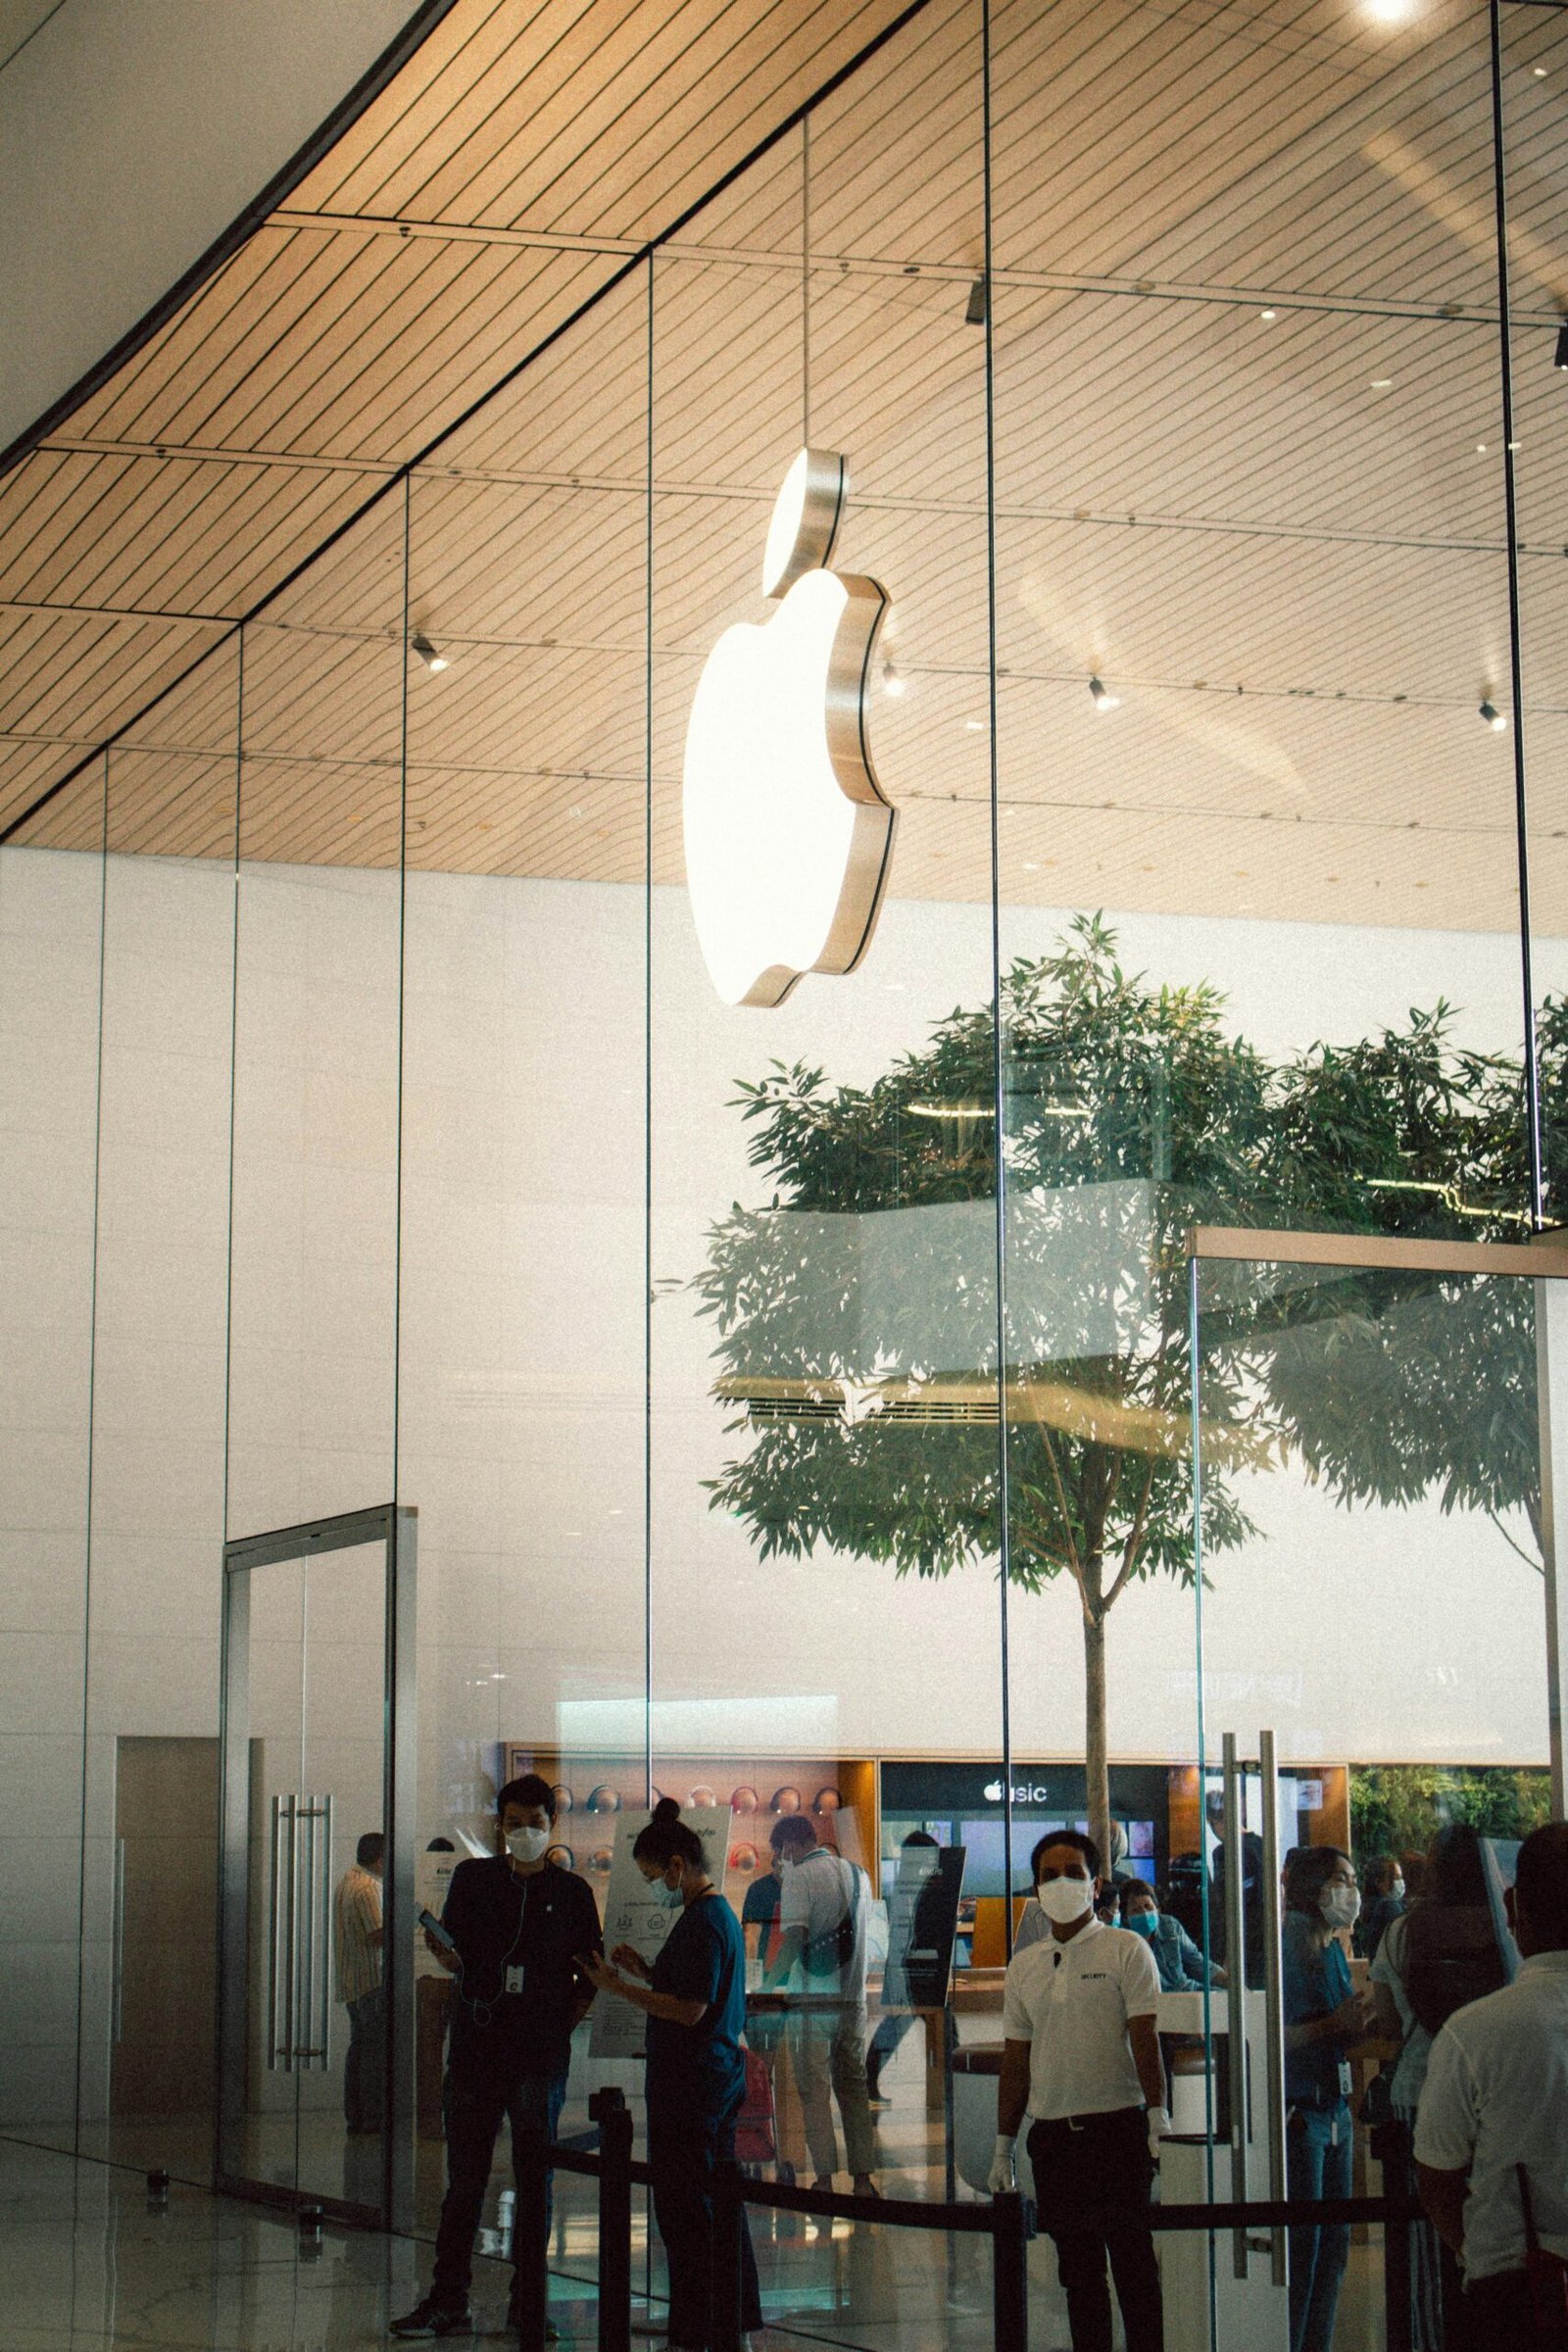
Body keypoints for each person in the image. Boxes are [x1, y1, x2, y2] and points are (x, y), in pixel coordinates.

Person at [390, 1775, 603, 2342]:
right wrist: (447, 1955)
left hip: (538, 2056)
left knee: (537, 2182)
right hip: (478, 2051)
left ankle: (529, 2304)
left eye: (534, 1823)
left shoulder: (573, 1892)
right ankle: (447, 2300)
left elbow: (592, 1974)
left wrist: (563, 2025)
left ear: (551, 1824)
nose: (524, 1833)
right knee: (465, 2183)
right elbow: (463, 1958)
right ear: (499, 1826)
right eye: (513, 1824)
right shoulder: (473, 1878)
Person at [580, 1799, 763, 2352]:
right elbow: (688, 1990)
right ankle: (703, 2319)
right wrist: (649, 1972)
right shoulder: (707, 1916)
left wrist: (619, 1989)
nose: (655, 1884)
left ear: (678, 1864)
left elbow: (689, 2010)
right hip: (699, 2077)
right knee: (693, 2207)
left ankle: (709, 2322)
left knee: (692, 2210)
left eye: (654, 1874)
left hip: (696, 2084)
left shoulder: (707, 1920)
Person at [991, 1829, 1166, 2352]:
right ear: (1035, 1887)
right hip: (1054, 2140)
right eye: (1049, 1875)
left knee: (1134, 2267)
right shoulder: (1024, 1965)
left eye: (1074, 1873)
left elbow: (1145, 2040)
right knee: (1079, 2274)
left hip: (1118, 2133)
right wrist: (1004, 2144)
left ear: (1094, 1886)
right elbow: (1016, 2060)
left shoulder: (1125, 1949)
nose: (1061, 1883)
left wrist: (1158, 2118)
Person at [1415, 1821, 1568, 2346]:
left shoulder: (1474, 2033)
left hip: (1513, 2300)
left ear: (1511, 1908)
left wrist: (1478, 2249)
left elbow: (1437, 2178)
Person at [1371, 1821, 1505, 2349]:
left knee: (1426, 2250)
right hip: (1491, 2094)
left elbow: (1386, 2023)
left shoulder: (1403, 1931)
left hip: (1418, 2091)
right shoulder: (1503, 1925)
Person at [1281, 1845, 1375, 2352]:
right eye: (1341, 1878)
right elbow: (1276, 2035)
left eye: (1354, 1879)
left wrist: (1358, 2026)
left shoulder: (1333, 1947)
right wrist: (1333, 2026)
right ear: (1314, 1885)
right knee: (1305, 2248)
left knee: (1334, 2247)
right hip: (1302, 2110)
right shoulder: (1288, 1943)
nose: (1351, 1891)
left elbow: (1338, 2028)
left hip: (1336, 2108)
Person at [763, 1814, 877, 2194]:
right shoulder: (860, 1874)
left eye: (780, 1853)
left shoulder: (799, 1876)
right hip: (853, 1999)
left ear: (790, 1846)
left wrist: (769, 1984)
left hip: (813, 2001)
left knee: (814, 2089)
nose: (781, 1860)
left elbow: (795, 1938)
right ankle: (863, 2179)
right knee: (854, 2087)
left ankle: (825, 2179)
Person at [865, 1831, 945, 2103]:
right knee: (940, 2030)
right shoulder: (922, 1885)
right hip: (918, 1971)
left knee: (899, 2026)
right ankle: (950, 2089)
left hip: (910, 1969)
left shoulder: (907, 1884)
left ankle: (869, 2081)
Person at [334, 1831, 385, 2135]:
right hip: (372, 1981)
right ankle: (372, 2118)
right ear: (380, 1861)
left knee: (359, 2050)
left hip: (352, 1981)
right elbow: (376, 1934)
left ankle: (356, 2115)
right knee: (373, 2053)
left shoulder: (346, 1882)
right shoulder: (368, 1888)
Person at [1118, 1878, 1226, 1991]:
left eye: (1148, 1906)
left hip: (1182, 1993)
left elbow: (1197, 1963)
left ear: (1157, 1909)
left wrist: (1231, 1982)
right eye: (1136, 1910)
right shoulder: (1120, 1940)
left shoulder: (1169, 1926)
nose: (1144, 1913)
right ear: (1125, 1917)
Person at [1206, 1788, 1266, 1984]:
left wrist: (1228, 1955)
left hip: (1241, 1948)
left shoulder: (1225, 1852)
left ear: (1213, 1821)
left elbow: (1231, 1906)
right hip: (1264, 1944)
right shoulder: (1262, 1845)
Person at [1354, 1855, 1405, 1962]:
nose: (1401, 1882)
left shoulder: (1364, 1908)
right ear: (1379, 1883)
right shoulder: (1389, 1907)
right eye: (1396, 1877)